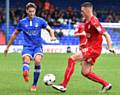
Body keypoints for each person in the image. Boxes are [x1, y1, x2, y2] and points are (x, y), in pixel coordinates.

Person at [52, 2, 115, 93]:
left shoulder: (94, 22)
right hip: (91, 48)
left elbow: (106, 34)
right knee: (85, 72)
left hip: (94, 49)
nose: (81, 13)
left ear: (88, 10)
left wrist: (110, 47)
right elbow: (90, 36)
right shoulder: (86, 22)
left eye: (82, 11)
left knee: (72, 58)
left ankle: (63, 85)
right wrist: (84, 44)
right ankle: (106, 84)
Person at [4, 2, 56, 92]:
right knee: (26, 60)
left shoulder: (40, 21)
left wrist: (52, 36)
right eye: (30, 11)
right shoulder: (22, 22)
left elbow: (49, 29)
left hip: (37, 46)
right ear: (27, 11)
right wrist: (8, 47)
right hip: (27, 46)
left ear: (35, 11)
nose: (32, 13)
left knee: (37, 60)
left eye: (33, 11)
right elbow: (14, 35)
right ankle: (25, 73)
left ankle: (34, 85)